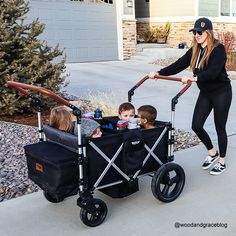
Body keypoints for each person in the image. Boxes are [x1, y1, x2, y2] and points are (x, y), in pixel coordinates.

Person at [149, 17, 232, 175]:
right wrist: (159, 72)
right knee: (196, 125)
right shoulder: (195, 48)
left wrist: (194, 78)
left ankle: (221, 161)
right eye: (194, 32)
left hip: (221, 92)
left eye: (199, 32)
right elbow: (179, 64)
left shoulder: (218, 49)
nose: (196, 35)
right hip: (206, 93)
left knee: (220, 127)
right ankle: (212, 152)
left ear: (207, 32)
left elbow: (213, 72)